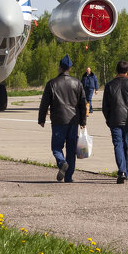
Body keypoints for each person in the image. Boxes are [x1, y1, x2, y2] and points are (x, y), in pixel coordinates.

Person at [38, 55, 89, 183]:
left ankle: (62, 163)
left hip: (58, 120)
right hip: (73, 121)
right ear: (70, 68)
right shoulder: (78, 83)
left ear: (60, 67)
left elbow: (44, 103)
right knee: (71, 150)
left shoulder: (52, 84)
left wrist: (41, 119)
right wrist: (83, 121)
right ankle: (68, 177)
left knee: (56, 147)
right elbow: (83, 104)